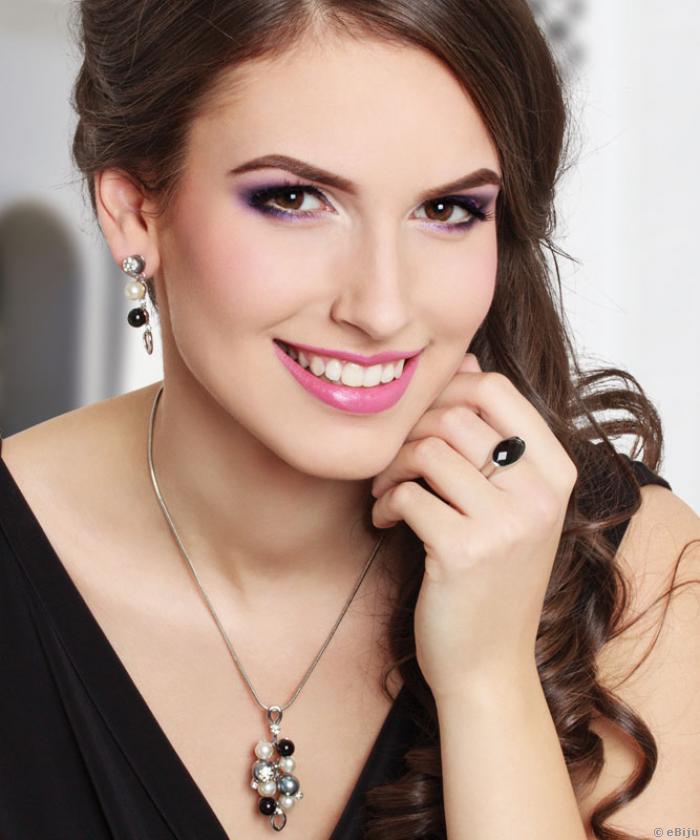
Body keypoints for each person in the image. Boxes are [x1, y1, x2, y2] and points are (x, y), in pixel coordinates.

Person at [0, 1, 698, 838]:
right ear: (135, 213)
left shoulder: (638, 570)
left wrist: (489, 676)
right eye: (296, 198)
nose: (381, 307)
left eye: (447, 210)